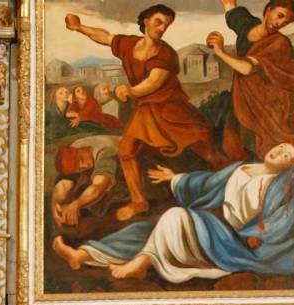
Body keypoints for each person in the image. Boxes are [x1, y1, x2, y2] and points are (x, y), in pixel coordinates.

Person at [54, 129, 294, 284]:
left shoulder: (285, 184)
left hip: (233, 240)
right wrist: (174, 178)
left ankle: (141, 263)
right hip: (212, 225)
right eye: (281, 146)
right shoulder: (242, 168)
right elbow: (208, 184)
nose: (281, 151)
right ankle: (82, 254)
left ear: (290, 165)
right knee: (145, 230)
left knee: (174, 217)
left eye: (288, 154)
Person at [64, 6, 226, 222]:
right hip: (146, 110)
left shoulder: (166, 53)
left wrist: (130, 90)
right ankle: (139, 201)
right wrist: (78, 27)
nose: (162, 28)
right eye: (159, 22)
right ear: (146, 20)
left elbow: (153, 83)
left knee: (206, 151)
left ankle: (228, 182)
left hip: (171, 108)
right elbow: (105, 37)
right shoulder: (129, 44)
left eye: (166, 24)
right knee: (126, 151)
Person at [210, 0, 294, 160]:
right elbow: (231, 9)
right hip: (242, 96)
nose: (280, 23)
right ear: (268, 10)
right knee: (231, 144)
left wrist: (220, 51)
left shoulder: (280, 44)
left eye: (285, 22)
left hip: (265, 102)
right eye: (279, 16)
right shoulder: (248, 25)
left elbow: (247, 68)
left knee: (266, 146)